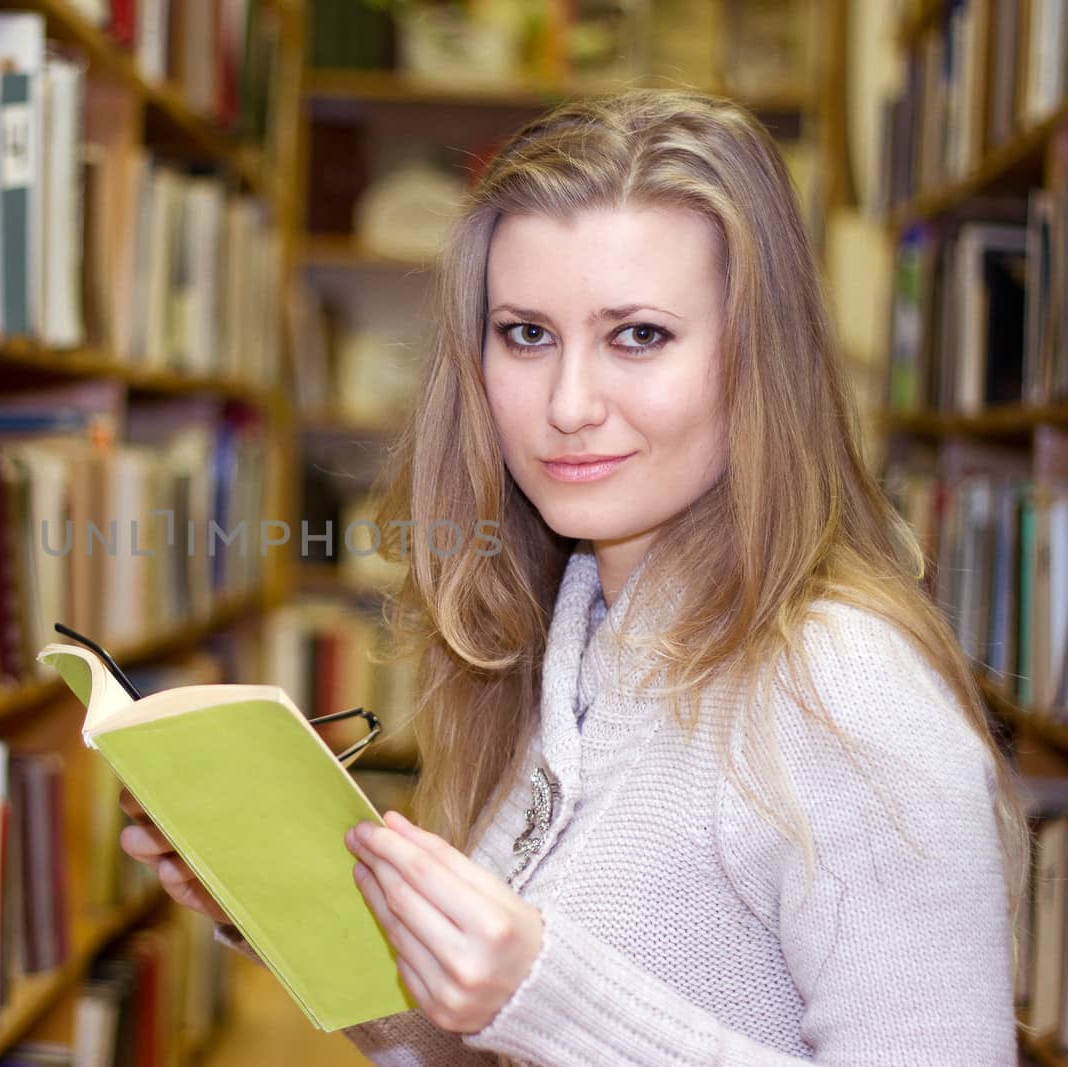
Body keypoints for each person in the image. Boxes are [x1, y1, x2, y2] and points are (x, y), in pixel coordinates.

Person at [118, 89, 1023, 1065]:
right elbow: (487, 1046)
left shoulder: (845, 690)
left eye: (638, 335)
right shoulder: (579, 626)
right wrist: (281, 898)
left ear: (757, 357)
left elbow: (552, 1017)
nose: (568, 403)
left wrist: (546, 995)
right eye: (526, 333)